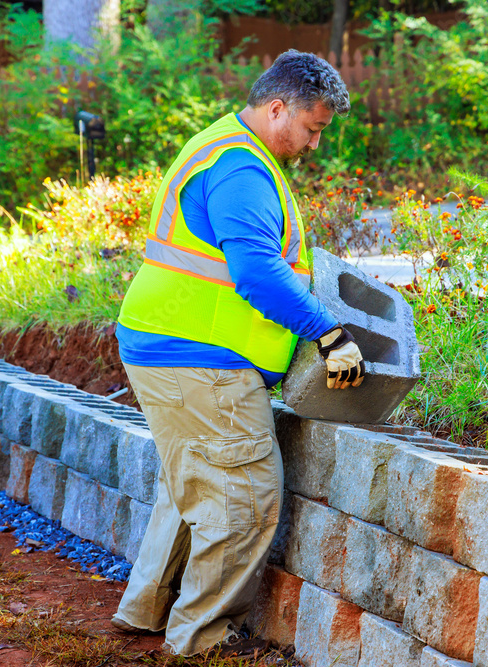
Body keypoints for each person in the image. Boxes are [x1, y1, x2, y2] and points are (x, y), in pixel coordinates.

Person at [110, 49, 366, 657]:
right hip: (200, 357)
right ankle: (200, 643)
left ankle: (147, 610)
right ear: (277, 108)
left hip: (170, 345)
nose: (314, 144)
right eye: (312, 129)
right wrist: (329, 333)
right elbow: (257, 273)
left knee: (193, 485)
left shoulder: (226, 146)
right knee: (243, 501)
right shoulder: (243, 169)